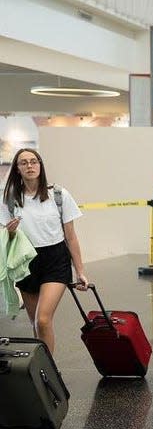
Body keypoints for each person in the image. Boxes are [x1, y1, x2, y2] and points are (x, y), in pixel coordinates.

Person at [1, 148, 89, 354]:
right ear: (17, 169)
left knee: (43, 319)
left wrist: (80, 271)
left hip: (55, 259)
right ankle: (40, 368)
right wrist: (11, 232)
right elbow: (6, 238)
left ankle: (49, 369)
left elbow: (71, 237)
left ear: (40, 165)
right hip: (26, 261)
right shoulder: (10, 199)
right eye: (24, 163)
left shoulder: (58, 194)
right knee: (36, 324)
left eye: (34, 161)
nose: (29, 166)